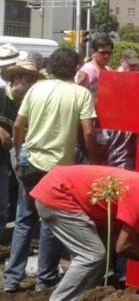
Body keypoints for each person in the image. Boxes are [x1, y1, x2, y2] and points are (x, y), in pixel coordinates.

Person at [3, 48, 101, 293]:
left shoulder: (36, 88)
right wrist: (95, 158)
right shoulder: (81, 94)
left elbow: (18, 126)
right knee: (50, 224)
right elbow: (89, 132)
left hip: (30, 161)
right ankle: (45, 279)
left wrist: (19, 152)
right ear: (75, 67)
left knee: (24, 219)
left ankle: (12, 279)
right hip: (58, 169)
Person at [31, 165, 139, 300]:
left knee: (95, 259)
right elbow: (123, 246)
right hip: (58, 194)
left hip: (60, 188)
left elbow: (137, 244)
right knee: (92, 255)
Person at [0, 60, 42, 246]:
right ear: (16, 79)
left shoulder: (25, 105)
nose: (32, 85)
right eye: (29, 80)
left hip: (3, 160)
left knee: (2, 207)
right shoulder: (0, 95)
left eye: (34, 81)